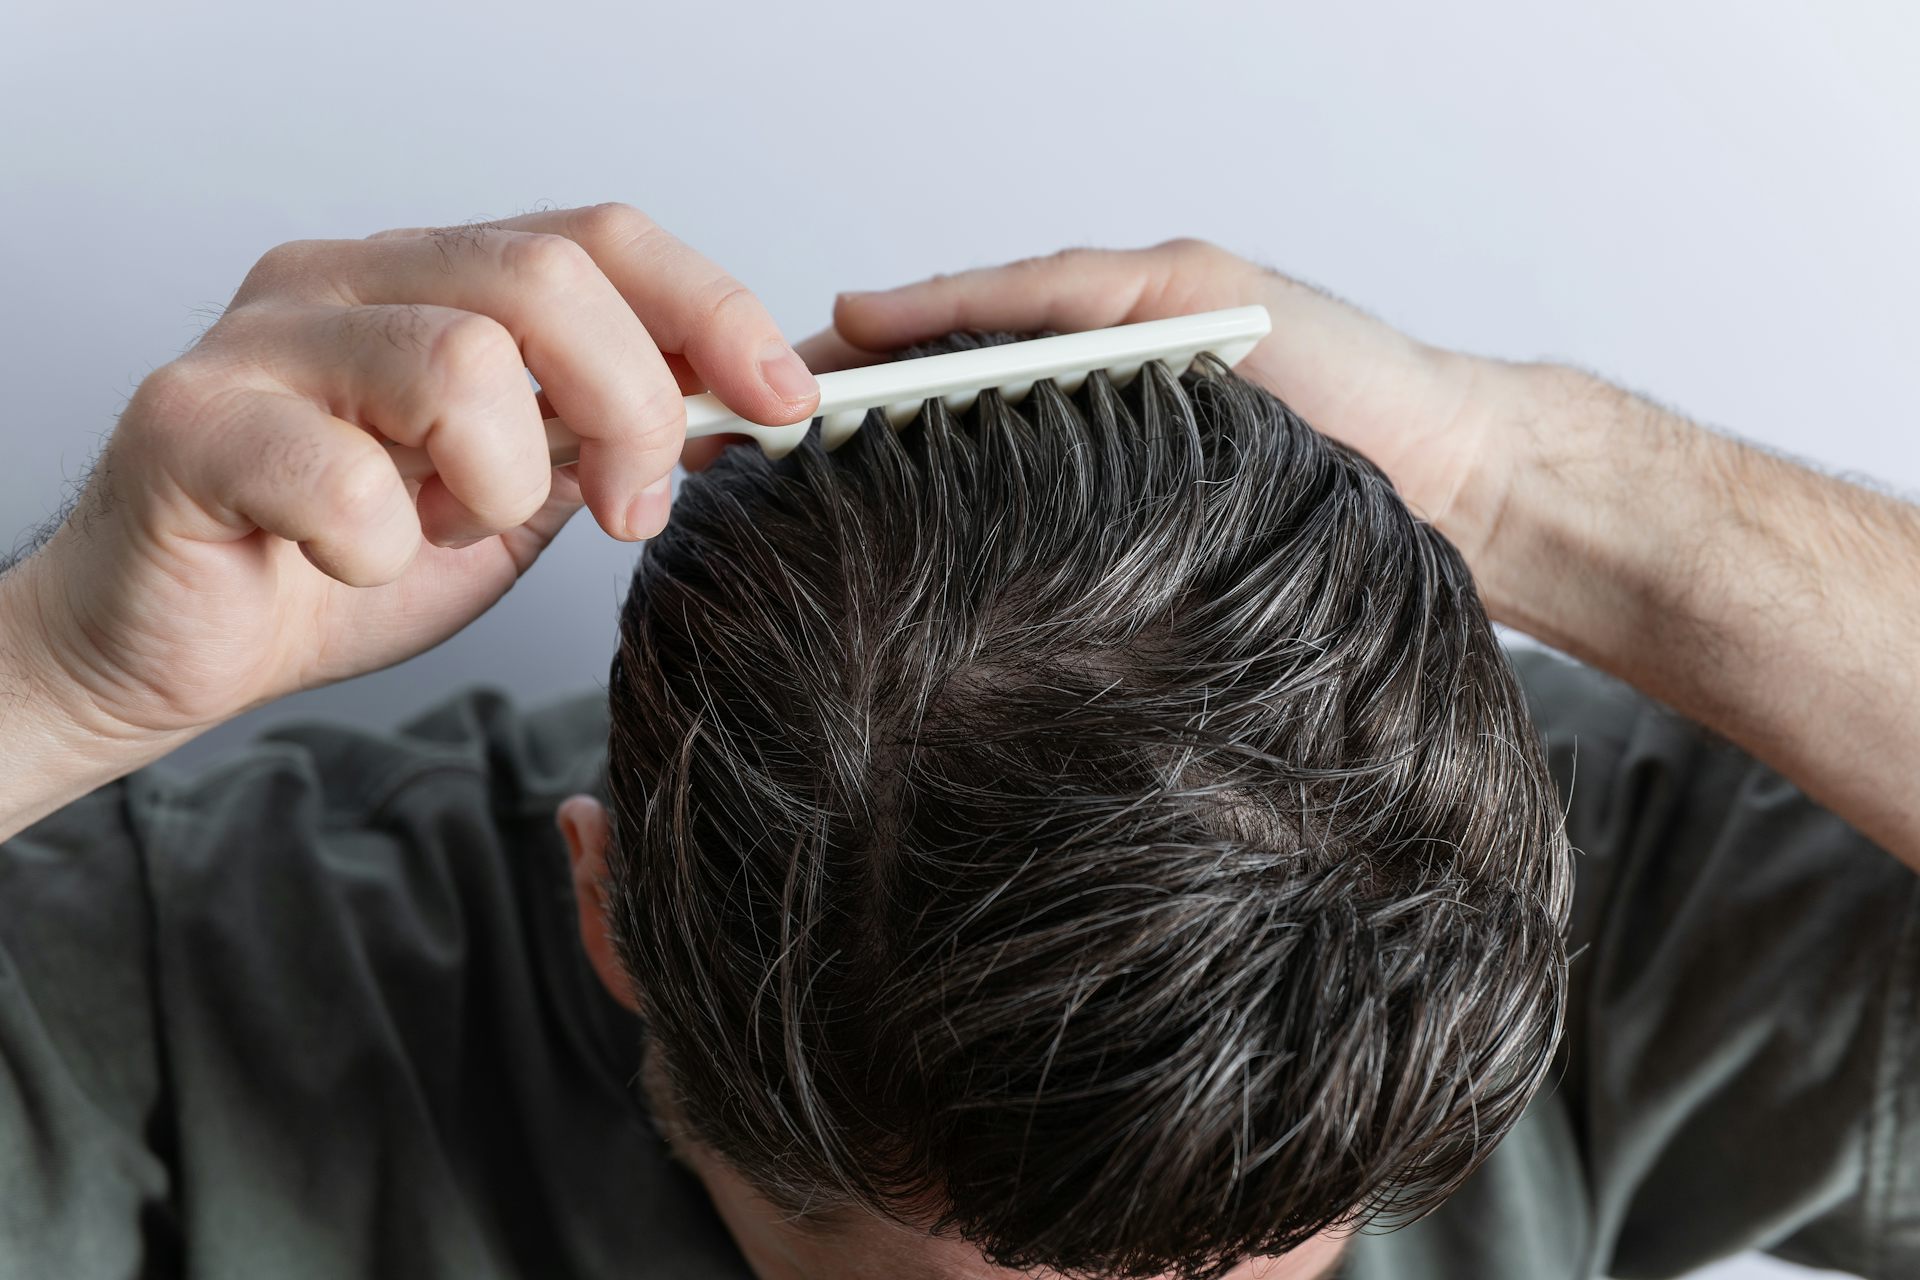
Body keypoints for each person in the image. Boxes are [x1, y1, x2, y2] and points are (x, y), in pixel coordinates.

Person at [0, 205, 1912, 1279]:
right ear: (615, 928)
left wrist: (1539, 484)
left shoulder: (1555, 881)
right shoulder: (192, 985)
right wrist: (50, 684)